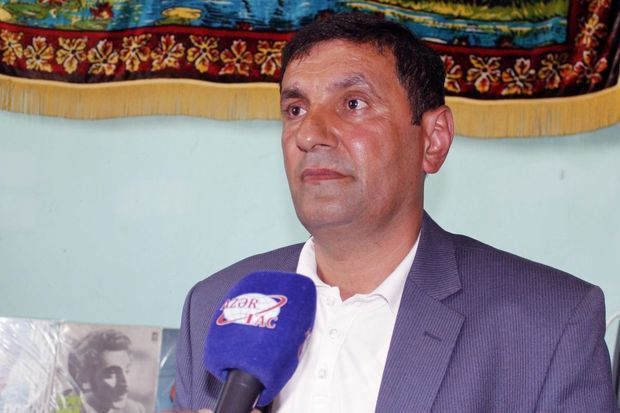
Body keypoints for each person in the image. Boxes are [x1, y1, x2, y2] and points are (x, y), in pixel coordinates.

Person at [174, 12, 618, 413]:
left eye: (353, 103)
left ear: (433, 140)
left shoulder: (549, 325)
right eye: (295, 109)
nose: (309, 134)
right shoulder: (214, 306)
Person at [62, 329, 145, 413]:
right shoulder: (66, 408)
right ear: (85, 377)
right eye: (111, 374)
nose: (126, 385)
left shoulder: (134, 410)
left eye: (127, 370)